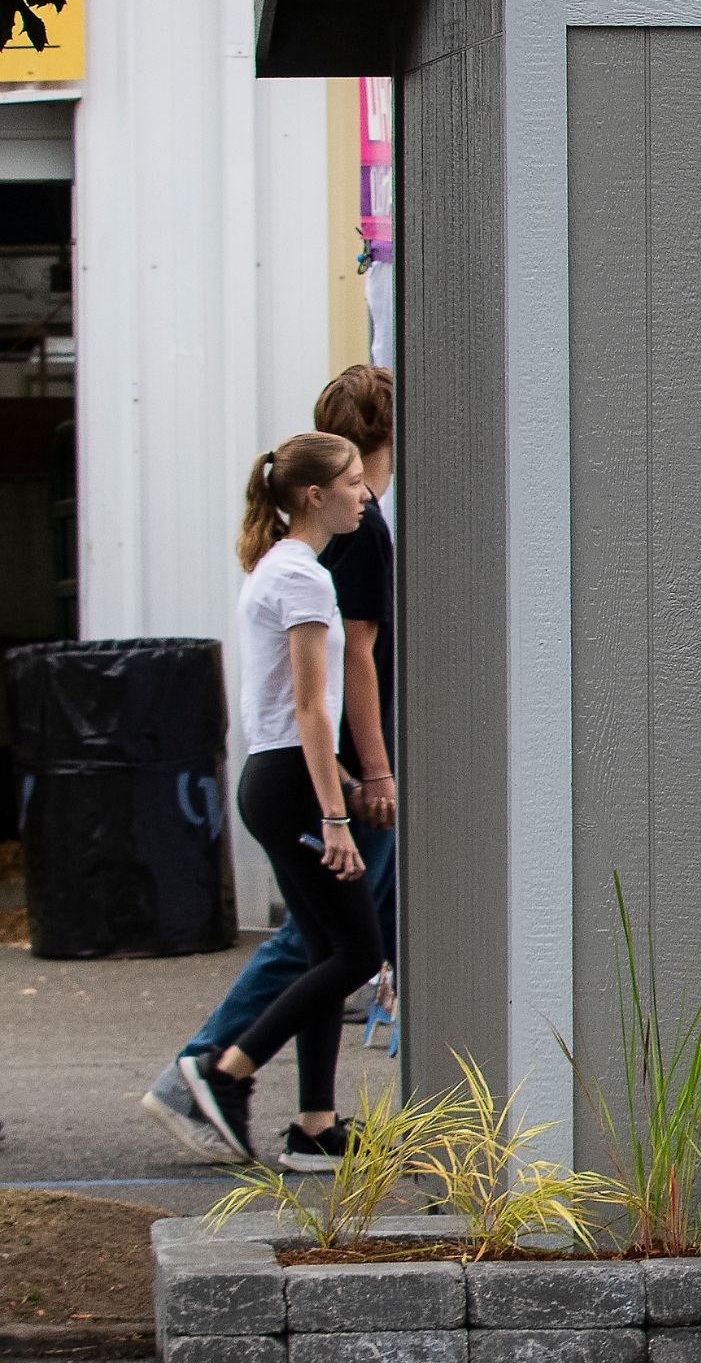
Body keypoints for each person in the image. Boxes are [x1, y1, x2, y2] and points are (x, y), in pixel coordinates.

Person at [143, 368, 401, 1167]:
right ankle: (222, 1070)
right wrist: (347, 800)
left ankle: (315, 1127)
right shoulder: (304, 573)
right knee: (354, 953)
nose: (364, 496)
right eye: (352, 482)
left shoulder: (293, 565)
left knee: (328, 945)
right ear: (319, 493)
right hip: (298, 778)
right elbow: (313, 704)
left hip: (291, 775)